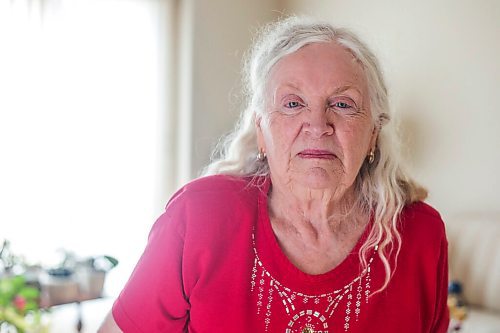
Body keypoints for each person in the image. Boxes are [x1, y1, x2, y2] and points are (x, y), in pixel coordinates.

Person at [99, 16, 449, 333]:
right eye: (293, 103)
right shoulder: (198, 217)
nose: (317, 125)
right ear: (262, 131)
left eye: (342, 104)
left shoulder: (422, 235)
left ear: (373, 132)